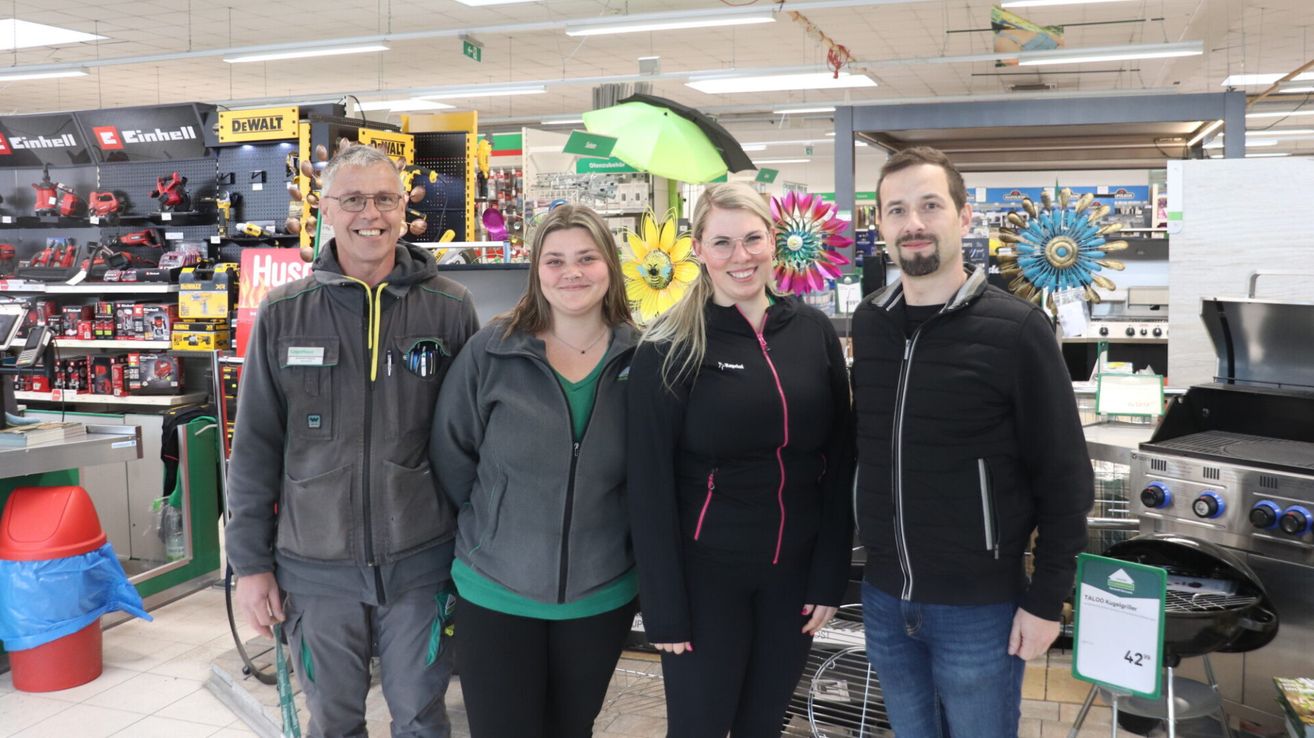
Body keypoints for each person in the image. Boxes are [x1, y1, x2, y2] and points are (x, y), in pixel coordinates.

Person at [226, 144, 479, 738]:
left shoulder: (450, 308)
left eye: (385, 199)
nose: (372, 214)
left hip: (422, 567)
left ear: (404, 209)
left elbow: (475, 445)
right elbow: (255, 448)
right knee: (333, 722)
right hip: (315, 572)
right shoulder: (285, 313)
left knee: (421, 719)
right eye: (354, 199)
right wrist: (251, 566)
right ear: (326, 208)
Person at [851, 146, 1094, 738]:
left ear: (963, 218)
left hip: (978, 609)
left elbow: (1065, 479)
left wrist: (1046, 600)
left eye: (930, 205)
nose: (913, 223)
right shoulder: (870, 323)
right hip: (885, 599)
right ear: (880, 224)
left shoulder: (1017, 330)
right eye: (896, 210)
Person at [627, 182, 854, 737]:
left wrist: (830, 576)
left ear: (773, 240)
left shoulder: (812, 331)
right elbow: (648, 484)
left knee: (763, 725)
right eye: (722, 242)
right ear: (698, 250)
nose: (740, 256)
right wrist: (663, 605)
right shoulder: (669, 345)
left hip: (793, 577)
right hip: (705, 579)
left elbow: (840, 460)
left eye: (752, 239)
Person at [430, 204, 638, 738]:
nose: (572, 273)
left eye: (587, 258)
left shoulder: (642, 359)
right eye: (555, 260)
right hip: (496, 590)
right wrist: (491, 527)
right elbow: (452, 456)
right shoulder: (492, 351)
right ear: (536, 270)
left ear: (610, 266)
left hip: (601, 595)